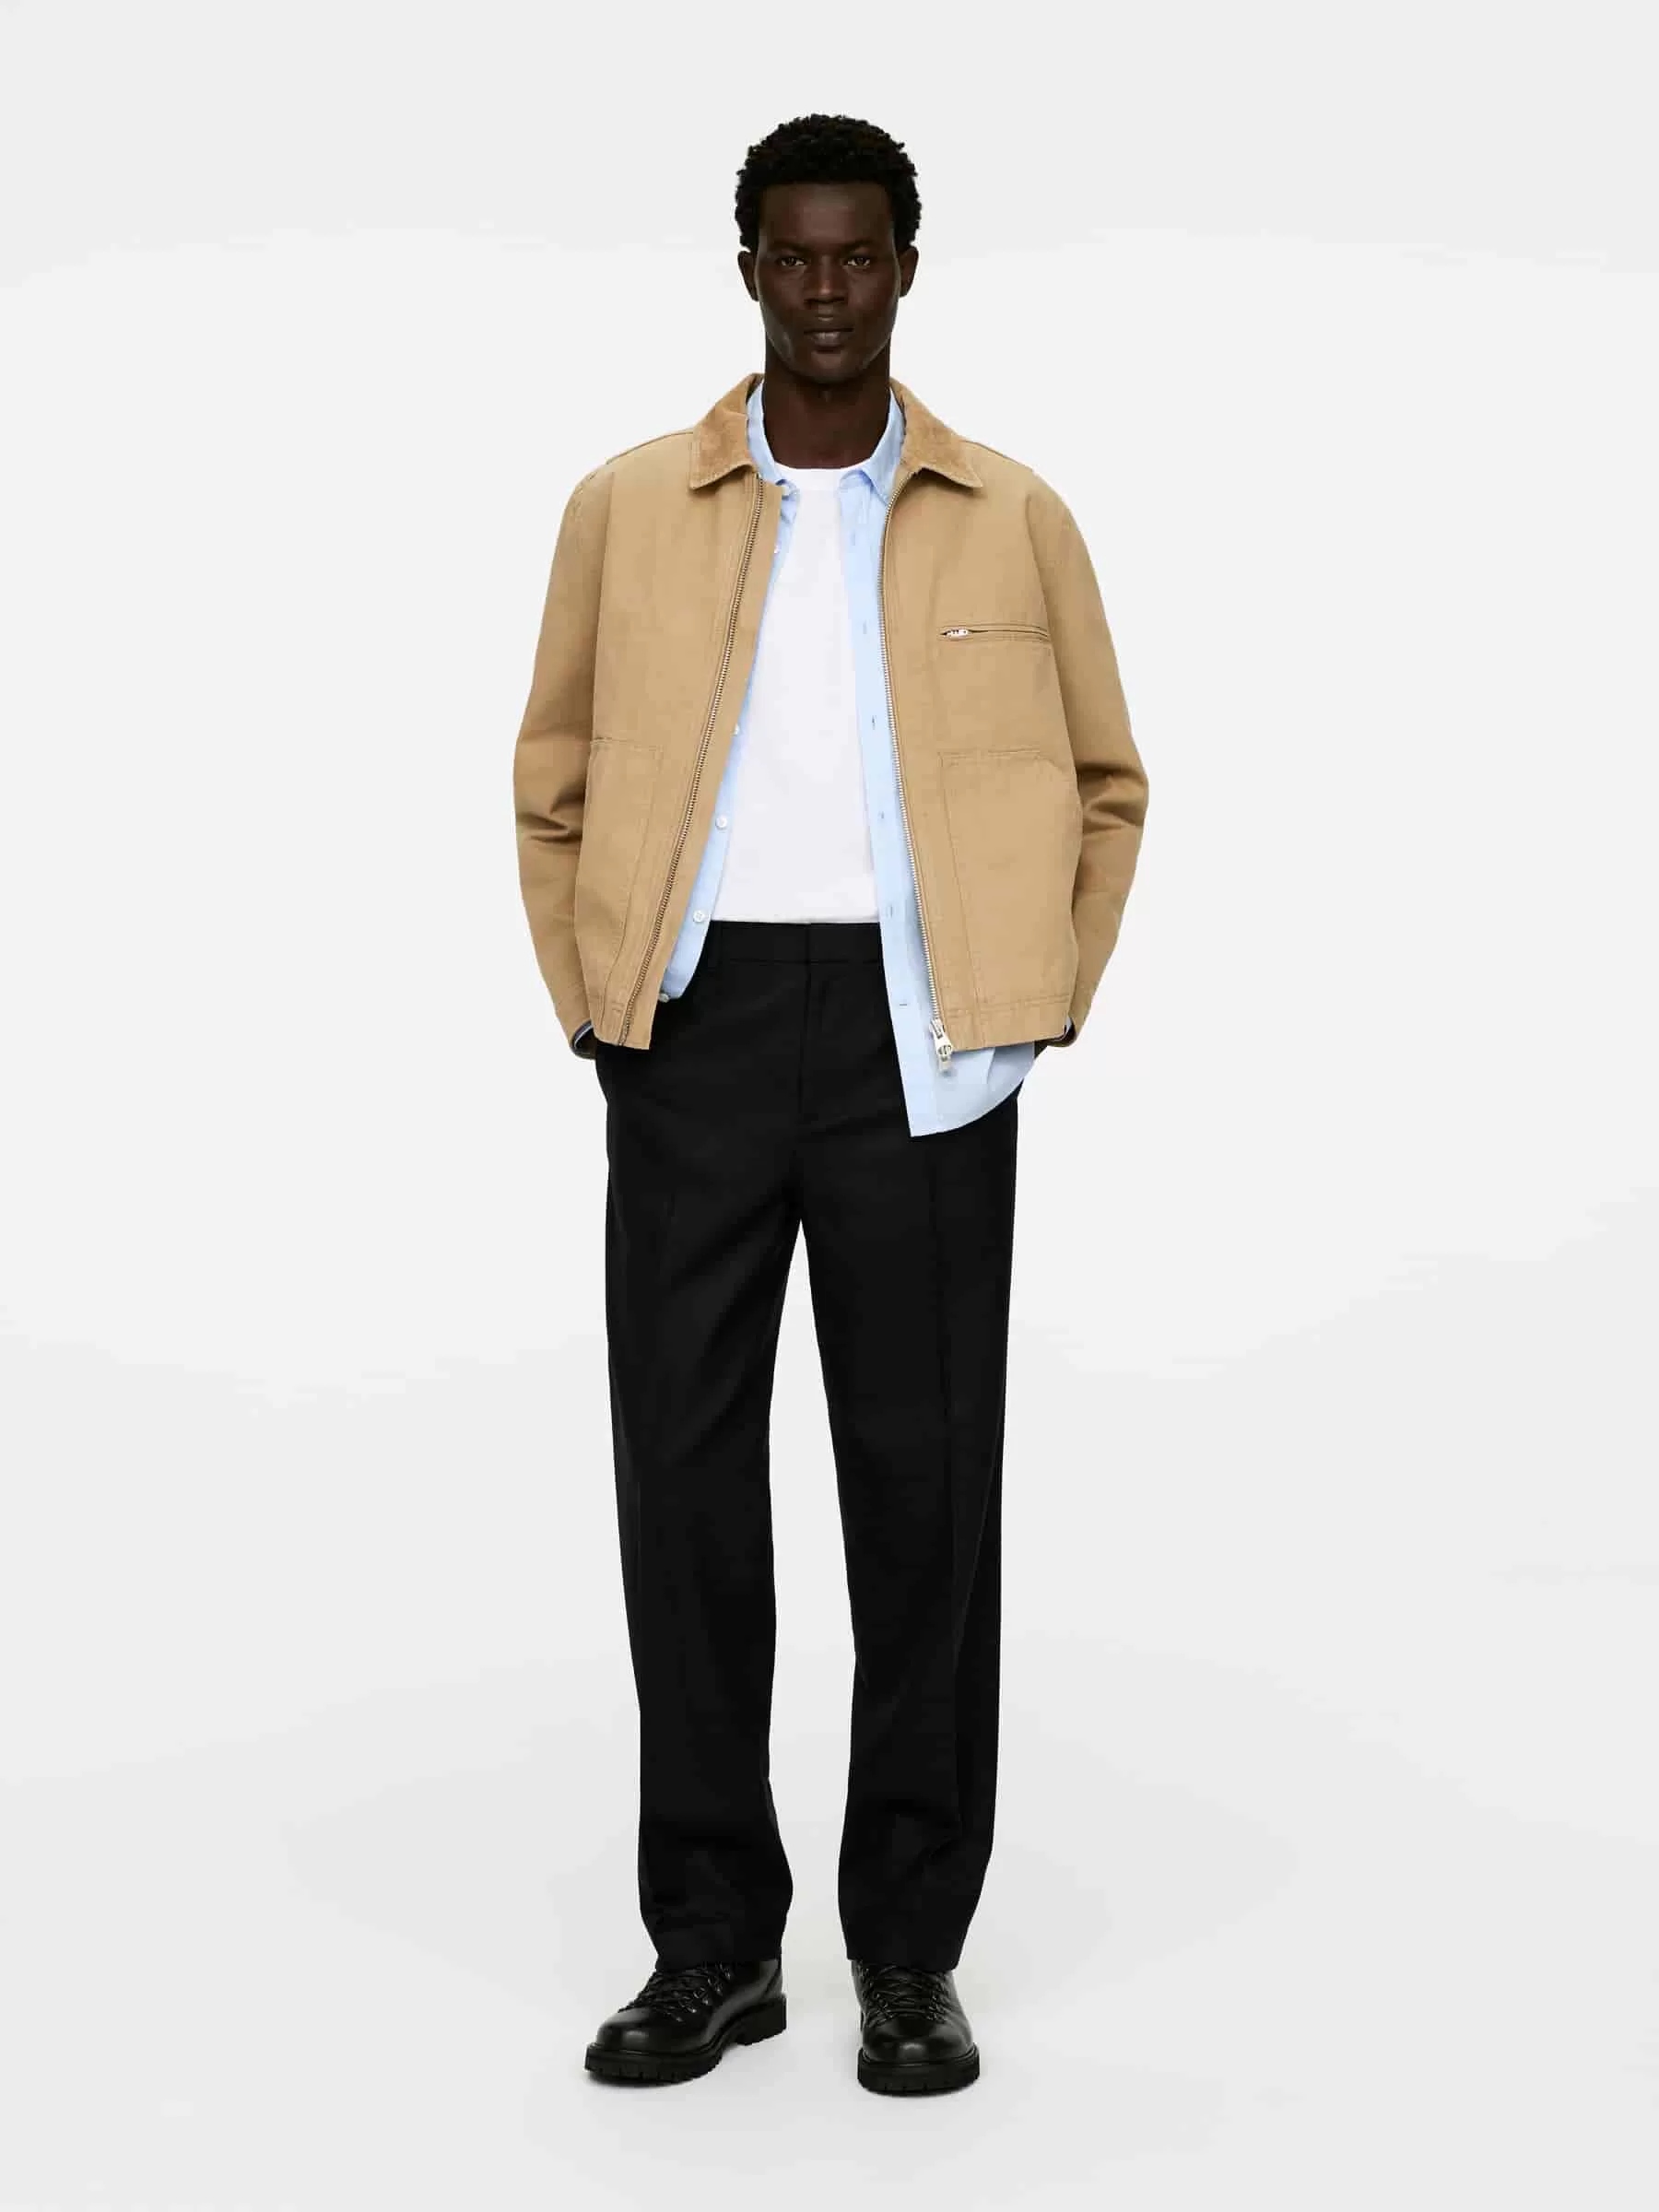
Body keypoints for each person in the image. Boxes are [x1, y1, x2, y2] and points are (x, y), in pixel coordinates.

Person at [512, 112, 1148, 2096]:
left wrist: (1029, 1006)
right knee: (686, 1490)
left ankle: (908, 1953)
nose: (824, 292)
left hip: (923, 1044)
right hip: (694, 1032)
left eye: (856, 255)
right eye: (791, 257)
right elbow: (553, 773)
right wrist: (602, 1000)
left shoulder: (1010, 512)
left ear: (905, 271)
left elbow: (1106, 783)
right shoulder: (628, 505)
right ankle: (712, 1944)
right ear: (748, 273)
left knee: (924, 1499)